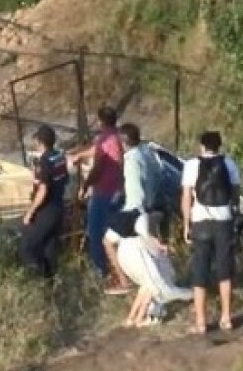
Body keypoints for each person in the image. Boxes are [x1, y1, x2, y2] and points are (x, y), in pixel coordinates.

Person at [181, 131, 241, 334]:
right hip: (223, 222)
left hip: (201, 222)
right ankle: (226, 318)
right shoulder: (229, 164)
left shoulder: (192, 165)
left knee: (200, 271)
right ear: (219, 146)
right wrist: (232, 213)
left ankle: (200, 322)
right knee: (225, 270)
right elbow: (235, 193)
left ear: (202, 146)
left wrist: (186, 225)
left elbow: (187, 197)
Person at [101, 123, 162, 294]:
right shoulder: (146, 153)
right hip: (151, 207)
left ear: (123, 142)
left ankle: (123, 281)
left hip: (135, 211)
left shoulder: (131, 161)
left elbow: (136, 193)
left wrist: (131, 212)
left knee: (107, 241)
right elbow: (157, 176)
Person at [71, 105, 124, 281]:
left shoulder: (106, 138)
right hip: (116, 189)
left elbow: (98, 166)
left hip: (103, 191)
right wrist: (81, 155)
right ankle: (118, 268)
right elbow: (98, 150)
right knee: (113, 231)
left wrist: (86, 185)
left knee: (95, 231)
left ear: (100, 121)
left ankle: (101, 270)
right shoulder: (114, 137)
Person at [116, 209, 191, 327]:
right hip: (137, 252)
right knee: (152, 285)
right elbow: (149, 238)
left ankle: (132, 318)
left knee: (146, 286)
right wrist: (161, 247)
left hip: (124, 253)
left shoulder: (132, 221)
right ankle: (140, 319)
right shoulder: (144, 221)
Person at [21, 125, 69, 280]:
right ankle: (51, 282)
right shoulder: (60, 157)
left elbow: (43, 190)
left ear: (40, 142)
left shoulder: (45, 160)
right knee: (50, 247)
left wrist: (31, 211)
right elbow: (64, 179)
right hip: (58, 207)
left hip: (46, 210)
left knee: (28, 247)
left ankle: (40, 275)